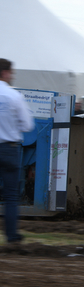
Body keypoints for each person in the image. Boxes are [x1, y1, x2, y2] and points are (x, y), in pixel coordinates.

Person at [0, 58, 35, 244]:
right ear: (5, 73)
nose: (12, 76)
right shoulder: (14, 96)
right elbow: (28, 125)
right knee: (11, 196)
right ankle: (12, 237)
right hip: (9, 148)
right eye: (11, 72)